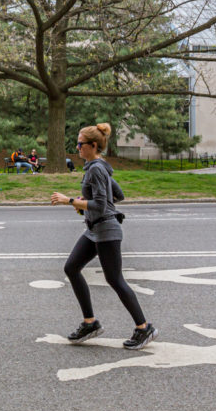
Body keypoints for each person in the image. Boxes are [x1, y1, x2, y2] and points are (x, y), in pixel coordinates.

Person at [50, 122, 158, 350]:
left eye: (80, 144)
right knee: (71, 267)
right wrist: (84, 203)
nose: (77, 147)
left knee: (115, 279)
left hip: (107, 231)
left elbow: (101, 204)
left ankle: (143, 327)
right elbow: (117, 195)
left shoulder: (97, 169)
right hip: (94, 230)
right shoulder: (96, 167)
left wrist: (70, 200)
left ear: (93, 145)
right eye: (77, 143)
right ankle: (90, 323)